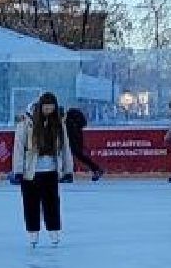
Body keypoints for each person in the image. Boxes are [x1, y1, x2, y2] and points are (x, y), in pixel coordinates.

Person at [13, 92, 74, 247]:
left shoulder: (59, 123)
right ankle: (33, 234)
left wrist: (68, 170)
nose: (49, 111)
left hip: (51, 170)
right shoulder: (27, 122)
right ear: (40, 107)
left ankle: (54, 232)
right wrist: (18, 170)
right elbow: (19, 147)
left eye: (51, 108)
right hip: (30, 171)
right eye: (46, 108)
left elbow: (65, 147)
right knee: (31, 204)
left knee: (52, 204)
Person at [65, 106, 104, 181]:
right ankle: (96, 169)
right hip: (75, 137)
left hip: (72, 138)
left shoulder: (70, 118)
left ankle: (68, 174)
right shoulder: (73, 119)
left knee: (74, 155)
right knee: (77, 155)